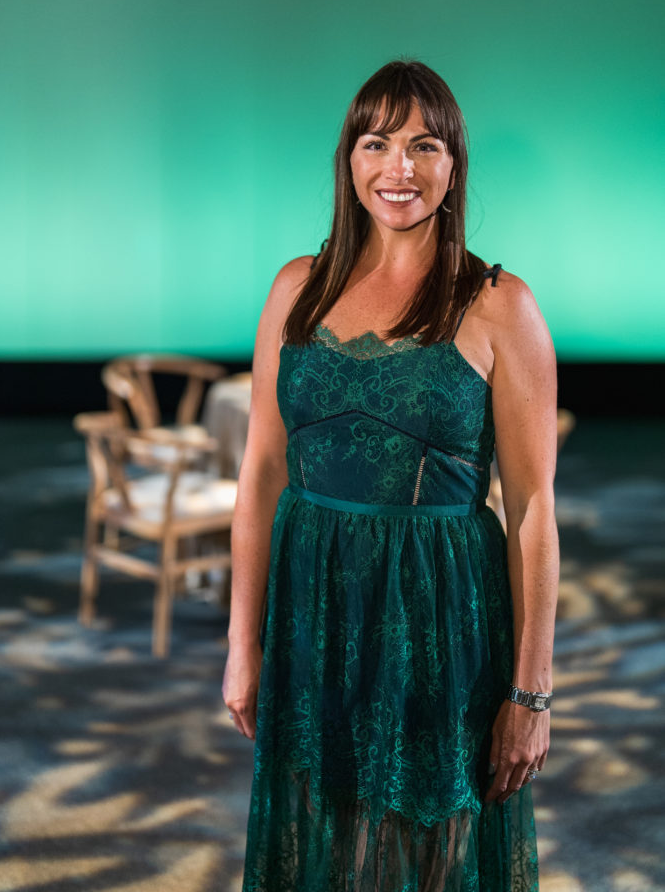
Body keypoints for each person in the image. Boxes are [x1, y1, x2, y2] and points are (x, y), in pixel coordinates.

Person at [222, 59, 559, 892]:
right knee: (324, 834)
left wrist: (532, 693)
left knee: (428, 846)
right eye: (377, 144)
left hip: (440, 620)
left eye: (423, 147)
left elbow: (534, 513)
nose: (398, 170)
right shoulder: (295, 288)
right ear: (350, 159)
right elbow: (261, 474)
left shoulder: (499, 305)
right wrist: (241, 643)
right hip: (314, 612)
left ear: (454, 165)